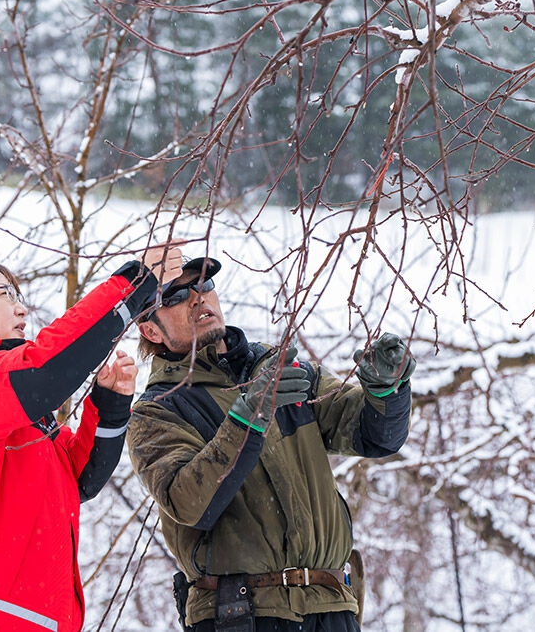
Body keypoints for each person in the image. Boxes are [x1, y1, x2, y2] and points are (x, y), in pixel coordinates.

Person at [0, 248, 182, 631]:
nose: (21, 309)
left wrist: (108, 405)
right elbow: (44, 370)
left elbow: (79, 479)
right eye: (4, 294)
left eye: (18, 296)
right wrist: (135, 282)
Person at [126, 251, 417, 632]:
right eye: (176, 296)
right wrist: (247, 418)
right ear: (150, 330)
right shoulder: (156, 413)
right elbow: (190, 503)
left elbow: (375, 437)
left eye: (204, 285)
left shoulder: (280, 370)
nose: (198, 298)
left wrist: (386, 389)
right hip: (240, 615)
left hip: (332, 606)